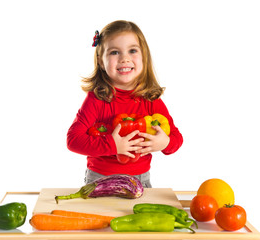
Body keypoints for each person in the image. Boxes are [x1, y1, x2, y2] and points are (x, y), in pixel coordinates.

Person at [67, 20, 183, 188]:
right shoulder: (97, 99)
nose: (125, 58)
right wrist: (112, 145)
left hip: (140, 180)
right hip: (99, 180)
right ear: (101, 61)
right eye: (115, 52)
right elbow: (73, 140)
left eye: (132, 50)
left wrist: (164, 143)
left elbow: (176, 139)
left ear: (144, 56)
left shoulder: (150, 99)